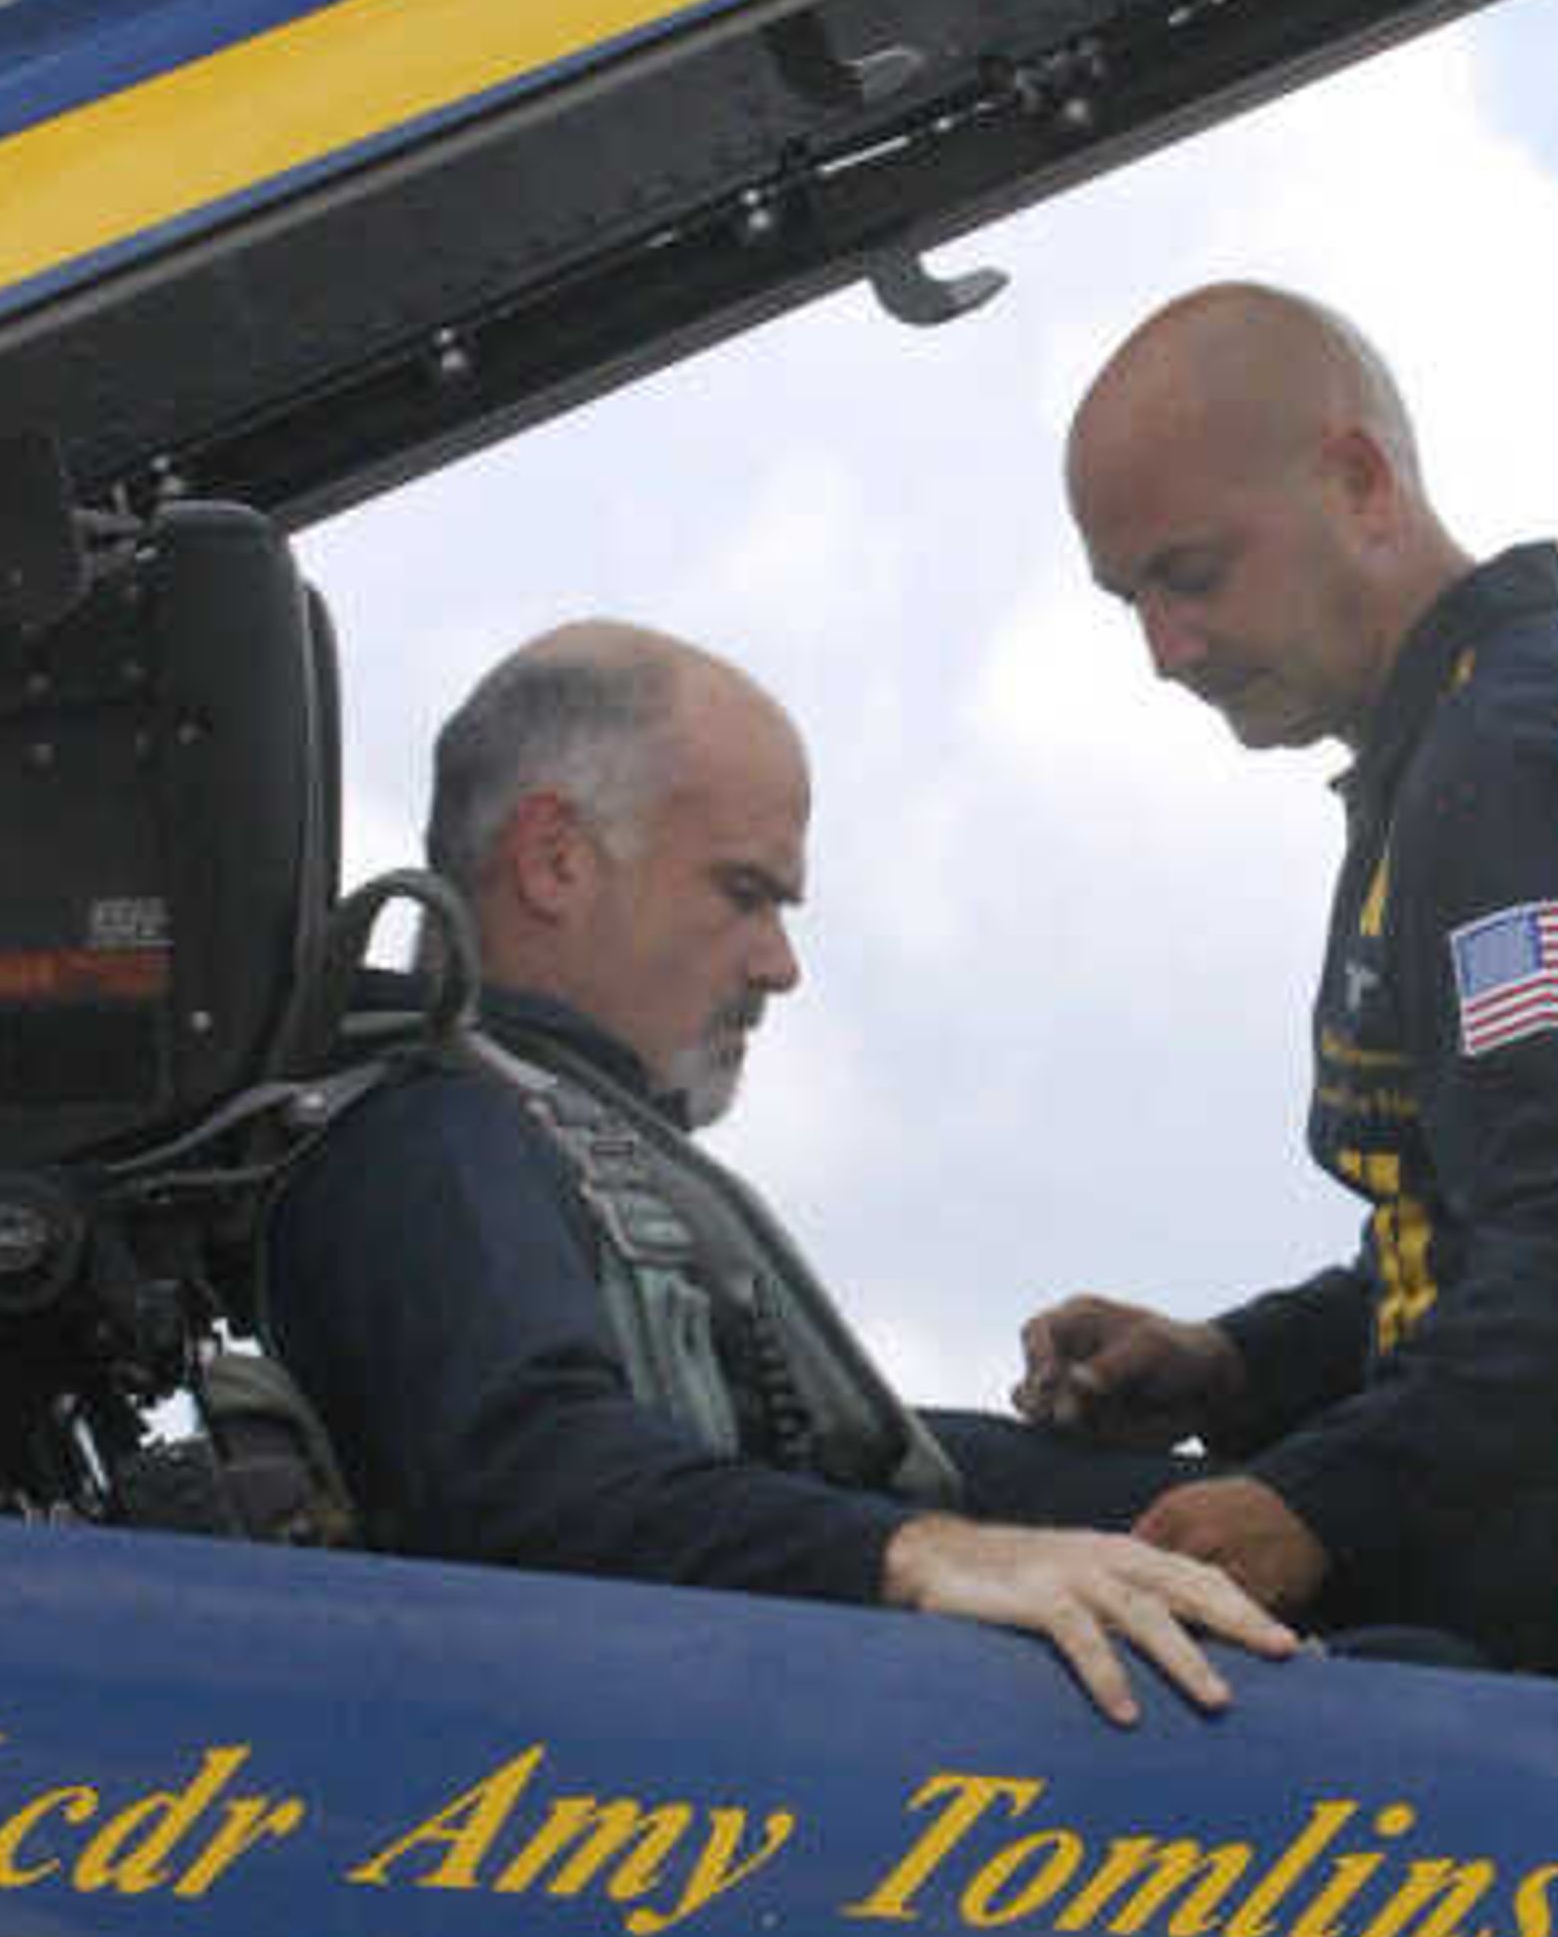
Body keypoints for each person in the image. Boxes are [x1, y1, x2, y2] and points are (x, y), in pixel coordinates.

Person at [265, 622, 1289, 1727]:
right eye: (745, 893)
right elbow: (526, 1471)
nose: (779, 965)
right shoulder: (426, 1135)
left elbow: (804, 1470)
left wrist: (1270, 1499)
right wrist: (916, 1552)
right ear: (554, 859)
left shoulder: (545, 1128)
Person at [1020, 286, 1558, 1692]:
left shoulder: (1517, 771)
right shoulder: (1454, 751)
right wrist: (1233, 1363)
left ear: (1358, 483)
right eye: (1133, 599)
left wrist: (1322, 1501)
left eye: (1192, 574)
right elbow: (1479, 1241)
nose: (1164, 649)